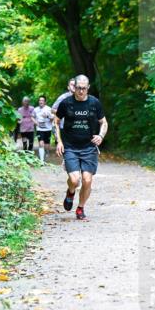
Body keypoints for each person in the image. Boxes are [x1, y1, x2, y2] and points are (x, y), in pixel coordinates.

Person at [54, 75, 107, 221]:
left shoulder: (94, 103)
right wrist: (59, 141)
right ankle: (71, 192)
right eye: (78, 88)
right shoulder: (66, 103)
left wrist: (101, 136)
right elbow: (56, 122)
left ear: (88, 88)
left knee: (87, 180)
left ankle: (80, 208)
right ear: (74, 87)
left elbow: (104, 122)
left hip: (89, 147)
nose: (81, 91)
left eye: (84, 88)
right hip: (70, 146)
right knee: (75, 179)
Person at [34, 96, 54, 162]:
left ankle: (46, 152)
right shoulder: (36, 109)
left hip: (47, 129)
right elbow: (32, 117)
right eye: (39, 100)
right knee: (41, 143)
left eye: (42, 100)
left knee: (46, 145)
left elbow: (52, 119)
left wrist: (47, 116)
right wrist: (35, 122)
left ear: (45, 102)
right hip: (39, 129)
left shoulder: (49, 109)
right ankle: (42, 161)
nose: (41, 102)